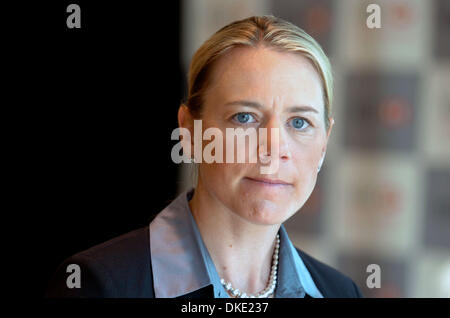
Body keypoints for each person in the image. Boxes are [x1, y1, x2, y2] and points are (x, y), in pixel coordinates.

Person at [46, 15, 363, 298]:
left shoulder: (339, 292)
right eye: (244, 117)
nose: (274, 148)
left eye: (299, 123)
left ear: (323, 144)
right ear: (189, 131)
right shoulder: (99, 286)